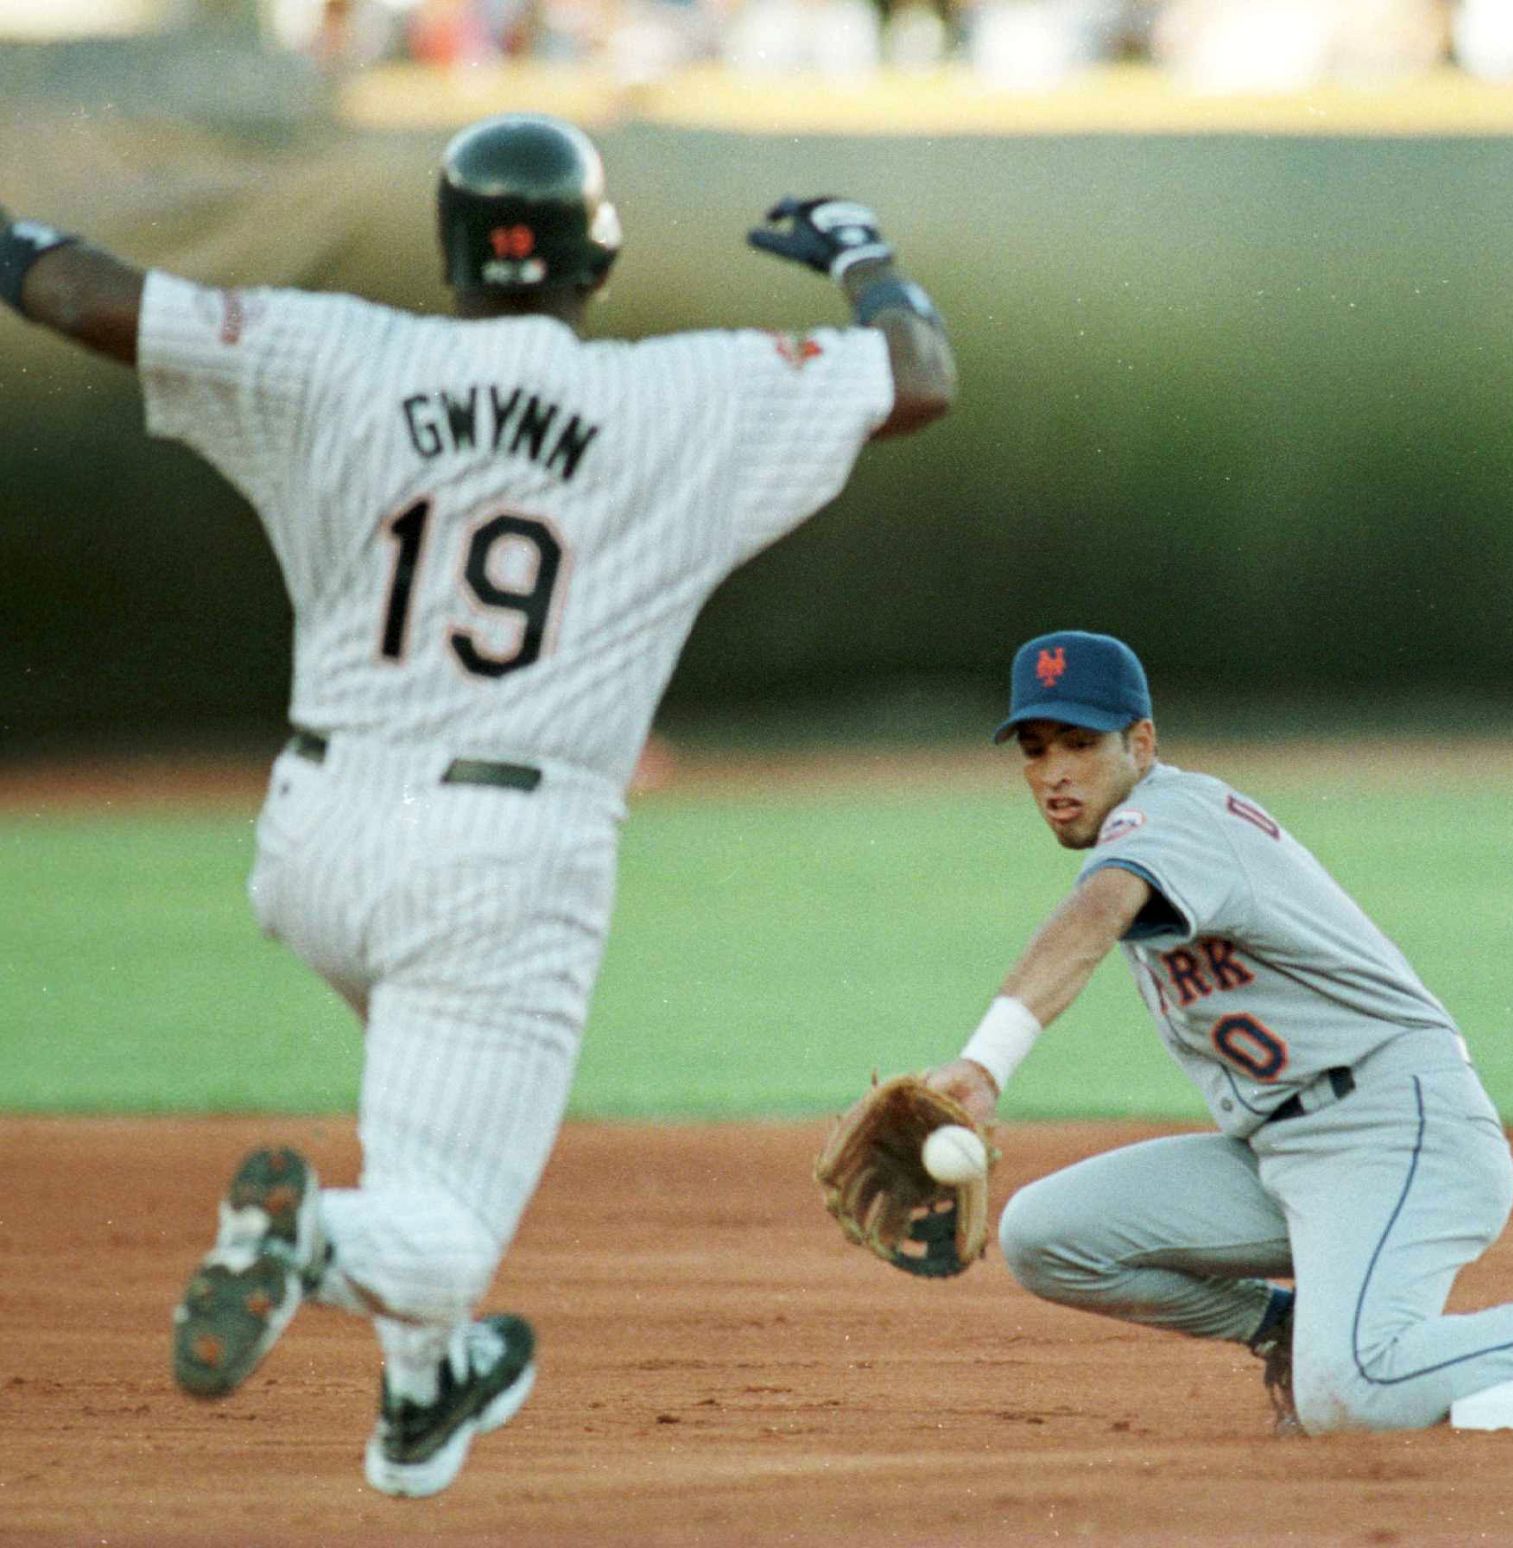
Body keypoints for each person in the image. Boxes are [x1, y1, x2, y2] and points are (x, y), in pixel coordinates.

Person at [1, 115, 954, 1495]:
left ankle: (428, 1391)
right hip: (502, 856)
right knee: (440, 1218)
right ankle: (302, 1247)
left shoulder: (332, 351)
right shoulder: (680, 393)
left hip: (313, 835)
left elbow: (91, 295)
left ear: (450, 253)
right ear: (596, 259)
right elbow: (920, 377)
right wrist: (862, 255)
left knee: (425, 1134)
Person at [922, 630, 1513, 1434]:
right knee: (1044, 1237)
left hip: (1398, 1132)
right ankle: (1288, 1329)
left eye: (1079, 742)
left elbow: (1096, 913)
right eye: (1034, 749)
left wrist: (986, 1062)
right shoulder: (1130, 844)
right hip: (1284, 1157)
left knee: (1355, 1395)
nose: (1054, 772)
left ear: (1140, 743)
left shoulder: (1173, 818)